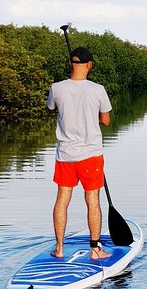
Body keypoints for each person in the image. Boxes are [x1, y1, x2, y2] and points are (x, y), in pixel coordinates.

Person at [47, 46, 112, 259]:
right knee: (92, 199)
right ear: (89, 65)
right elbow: (106, 120)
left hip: (65, 155)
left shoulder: (56, 88)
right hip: (91, 155)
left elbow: (51, 108)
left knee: (62, 199)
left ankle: (59, 248)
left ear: (69, 64)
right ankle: (95, 250)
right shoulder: (98, 89)